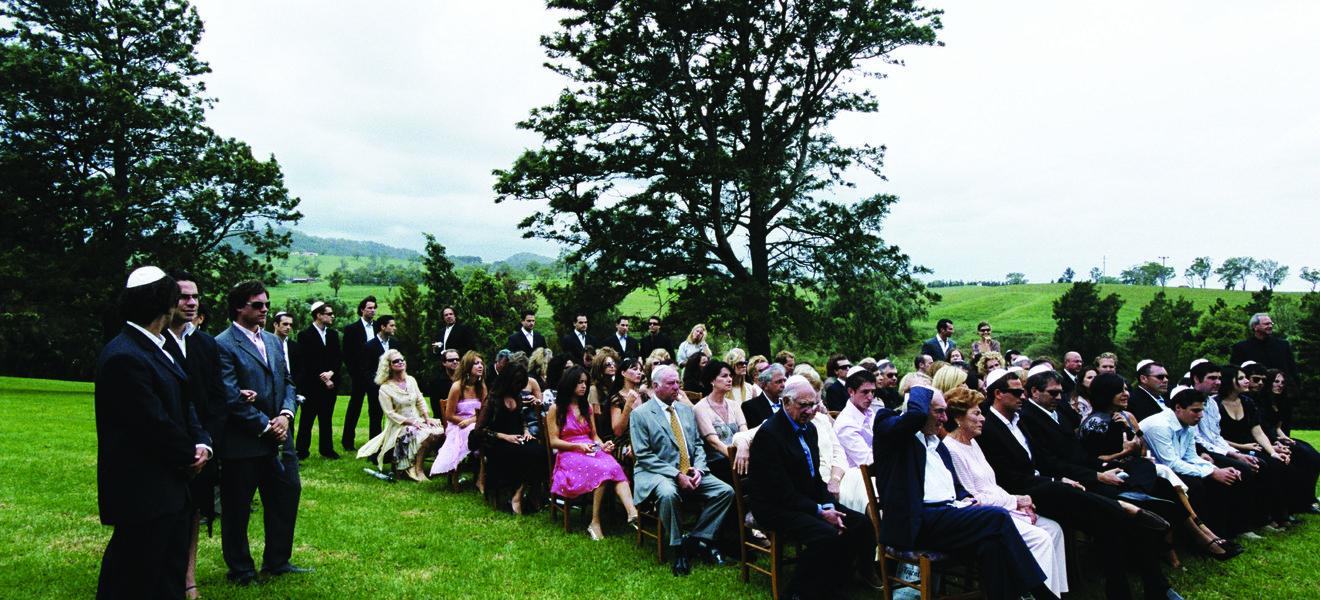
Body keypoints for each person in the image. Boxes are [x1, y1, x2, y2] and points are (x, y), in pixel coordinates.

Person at [975, 369, 1185, 600]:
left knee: (1139, 477)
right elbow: (1010, 476)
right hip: (1033, 491)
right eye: (1017, 392)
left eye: (1022, 392)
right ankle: (1130, 512)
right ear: (998, 394)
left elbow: (1067, 452)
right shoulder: (991, 426)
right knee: (1117, 515)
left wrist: (1101, 467)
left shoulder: (1019, 419)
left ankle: (1133, 507)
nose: (1022, 397)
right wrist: (1071, 478)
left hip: (1059, 481)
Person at [1019, 367, 1237, 563]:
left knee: (1150, 471)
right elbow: (1069, 459)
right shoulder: (1092, 422)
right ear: (1034, 392)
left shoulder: (1082, 413)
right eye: (1053, 393)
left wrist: (1129, 442)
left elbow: (1137, 450)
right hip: (1080, 477)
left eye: (1060, 392)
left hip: (1105, 468)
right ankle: (1188, 539)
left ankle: (1152, 507)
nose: (1060, 396)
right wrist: (1108, 466)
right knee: (1163, 485)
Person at [870, 384, 1051, 600]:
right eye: (938, 411)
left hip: (946, 515)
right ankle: (1041, 593)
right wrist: (919, 387)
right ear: (918, 408)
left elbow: (955, 485)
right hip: (917, 522)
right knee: (997, 517)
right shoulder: (889, 428)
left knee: (991, 545)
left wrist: (965, 498)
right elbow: (915, 415)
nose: (945, 418)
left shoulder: (937, 444)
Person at [94, 267, 211, 600]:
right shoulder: (124, 355)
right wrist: (188, 455)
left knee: (167, 582)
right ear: (164, 303)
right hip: (142, 494)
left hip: (170, 492)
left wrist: (202, 443)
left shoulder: (158, 347)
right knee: (133, 582)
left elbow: (186, 402)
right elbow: (151, 423)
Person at [748, 373, 881, 599]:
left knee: (859, 523)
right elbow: (780, 492)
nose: (810, 411)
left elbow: (814, 479)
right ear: (786, 403)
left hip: (803, 498)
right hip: (774, 505)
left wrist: (829, 505)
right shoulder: (770, 434)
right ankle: (797, 593)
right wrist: (820, 512)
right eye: (803, 406)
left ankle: (831, 582)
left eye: (813, 405)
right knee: (825, 535)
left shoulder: (809, 428)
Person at [215, 280, 307, 586]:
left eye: (266, 304)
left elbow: (289, 382)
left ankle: (278, 561)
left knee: (286, 495)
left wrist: (285, 415)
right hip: (244, 443)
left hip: (281, 442)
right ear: (239, 307)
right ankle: (240, 569)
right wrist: (266, 426)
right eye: (257, 305)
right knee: (237, 508)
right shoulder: (223, 344)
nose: (264, 310)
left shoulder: (272, 341)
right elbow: (229, 397)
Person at [941, 387, 1067, 597]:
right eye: (977, 413)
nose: (983, 419)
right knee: (1040, 538)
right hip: (986, 515)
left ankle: (1055, 593)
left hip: (1004, 506)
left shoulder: (972, 443)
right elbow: (973, 499)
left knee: (1053, 529)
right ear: (958, 418)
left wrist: (1020, 503)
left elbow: (992, 484)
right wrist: (1015, 501)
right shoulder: (952, 449)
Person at [630, 365, 734, 576]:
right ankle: (679, 551)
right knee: (668, 494)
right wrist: (676, 474)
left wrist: (700, 470)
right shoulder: (641, 414)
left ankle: (695, 539)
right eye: (671, 383)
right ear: (656, 386)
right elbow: (643, 455)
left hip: (689, 469)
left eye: (678, 383)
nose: (677, 387)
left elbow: (697, 445)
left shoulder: (686, 410)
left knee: (725, 492)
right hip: (655, 472)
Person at [165, 271, 228, 600]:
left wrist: (207, 442)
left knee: (193, 512)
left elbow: (217, 398)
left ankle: (188, 579)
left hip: (202, 448)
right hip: (166, 445)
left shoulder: (205, 343)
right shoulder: (156, 341)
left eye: (195, 297)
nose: (190, 303)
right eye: (183, 297)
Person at [1141, 388, 1256, 541]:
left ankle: (1222, 533)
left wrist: (1217, 470)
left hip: (1171, 467)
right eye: (1195, 410)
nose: (1200, 416)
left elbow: (1191, 457)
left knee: (1222, 480)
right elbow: (1171, 463)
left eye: (1201, 410)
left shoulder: (1187, 425)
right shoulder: (1160, 426)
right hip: (1154, 471)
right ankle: (1199, 539)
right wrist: (1212, 473)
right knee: (1196, 485)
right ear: (1178, 408)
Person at [547, 366, 638, 539]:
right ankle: (595, 522)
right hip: (569, 452)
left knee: (613, 465)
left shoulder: (586, 406)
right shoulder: (556, 408)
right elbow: (553, 441)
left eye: (585, 383)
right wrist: (578, 447)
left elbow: (594, 435)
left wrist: (603, 446)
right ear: (570, 383)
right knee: (602, 469)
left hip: (590, 448)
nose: (583, 386)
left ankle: (631, 511)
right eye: (579, 382)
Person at [1215, 364, 1295, 528]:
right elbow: (1215, 437)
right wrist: (1241, 447)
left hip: (1249, 445)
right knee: (1263, 468)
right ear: (1230, 381)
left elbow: (1258, 432)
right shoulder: (1216, 404)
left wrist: (1273, 452)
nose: (1246, 382)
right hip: (1228, 448)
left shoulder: (1247, 402)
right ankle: (1262, 519)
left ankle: (1280, 514)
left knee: (1279, 465)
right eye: (1241, 378)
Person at [354, 350, 445, 481]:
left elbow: (420, 400)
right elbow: (390, 414)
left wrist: (427, 418)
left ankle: (420, 464)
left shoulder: (411, 380)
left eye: (402, 359)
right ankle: (416, 470)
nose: (400, 362)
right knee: (421, 433)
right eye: (395, 361)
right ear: (388, 366)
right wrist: (411, 422)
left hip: (418, 420)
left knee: (438, 431)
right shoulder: (385, 388)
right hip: (399, 426)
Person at [473, 362, 546, 514]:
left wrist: (526, 431)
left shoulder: (517, 398)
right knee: (528, 454)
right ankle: (519, 496)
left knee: (541, 451)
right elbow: (479, 430)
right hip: (498, 443)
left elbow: (521, 420)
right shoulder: (492, 400)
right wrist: (504, 436)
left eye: (521, 383)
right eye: (517, 383)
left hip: (517, 439)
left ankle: (524, 493)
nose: (519, 386)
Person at [1259, 370, 1320, 513]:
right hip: (1267, 439)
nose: (1280, 385)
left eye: (1282, 382)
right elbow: (1263, 428)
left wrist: (1284, 437)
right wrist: (1277, 439)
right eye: (1276, 381)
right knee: (1301, 454)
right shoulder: (1261, 401)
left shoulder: (1281, 401)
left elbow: (1278, 426)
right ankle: (1300, 501)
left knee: (1315, 456)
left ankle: (1310, 497)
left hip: (1278, 436)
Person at [296, 301, 341, 460]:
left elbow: (337, 357)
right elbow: (307, 360)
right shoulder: (305, 335)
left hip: (330, 384)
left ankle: (327, 449)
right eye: (329, 314)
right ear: (319, 315)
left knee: (326, 418)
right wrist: (323, 377)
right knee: (307, 419)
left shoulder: (333, 334)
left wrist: (331, 373)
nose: (332, 316)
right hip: (312, 385)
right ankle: (301, 451)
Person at [430, 351, 486, 477]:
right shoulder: (457, 387)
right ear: (467, 367)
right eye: (476, 363)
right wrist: (466, 422)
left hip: (477, 422)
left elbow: (485, 411)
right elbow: (449, 415)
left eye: (481, 363)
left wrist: (471, 421)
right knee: (476, 431)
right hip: (458, 425)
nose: (480, 366)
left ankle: (484, 472)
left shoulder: (481, 387)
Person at [692, 360, 748, 484]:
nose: (729, 379)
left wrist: (744, 450)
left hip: (740, 456)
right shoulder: (700, 408)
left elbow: (745, 433)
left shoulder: (734, 405)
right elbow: (714, 442)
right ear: (712, 381)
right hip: (717, 463)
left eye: (730, 376)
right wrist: (736, 457)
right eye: (724, 376)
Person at [1230, 313, 1301, 406]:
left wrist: (1294, 389)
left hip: (1282, 394)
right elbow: (1235, 372)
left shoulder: (1283, 345)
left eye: (1271, 324)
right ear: (1255, 326)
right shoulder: (1241, 347)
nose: (1270, 326)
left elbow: (1292, 370)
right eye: (1266, 324)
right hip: (1256, 395)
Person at [357, 315, 401, 442]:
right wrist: (375, 384)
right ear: (383, 327)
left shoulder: (395, 343)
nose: (394, 328)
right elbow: (365, 369)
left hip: (394, 387)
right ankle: (375, 450)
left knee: (395, 416)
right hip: (377, 388)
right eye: (391, 325)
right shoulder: (369, 346)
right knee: (376, 418)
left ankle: (393, 447)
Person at [341, 296, 376, 450]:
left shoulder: (378, 328)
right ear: (362, 309)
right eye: (369, 308)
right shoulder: (352, 329)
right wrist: (354, 372)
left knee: (376, 409)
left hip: (376, 375)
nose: (372, 310)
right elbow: (347, 353)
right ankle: (347, 442)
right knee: (355, 408)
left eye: (374, 307)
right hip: (359, 374)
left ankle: (375, 441)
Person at [607, 357, 647, 465]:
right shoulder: (617, 398)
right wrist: (628, 404)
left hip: (643, 438)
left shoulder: (644, 396)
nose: (639, 372)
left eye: (640, 370)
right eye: (634, 369)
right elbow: (618, 431)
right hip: (623, 441)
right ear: (623, 373)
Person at [742, 363, 787, 428]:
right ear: (765, 385)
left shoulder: (787, 405)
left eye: (784, 381)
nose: (783, 385)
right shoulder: (751, 407)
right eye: (779, 382)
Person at [427, 349, 461, 420]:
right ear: (444, 363)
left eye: (457, 359)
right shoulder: (435, 383)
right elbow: (437, 410)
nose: (455, 362)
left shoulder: (466, 380)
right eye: (451, 360)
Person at [586, 348, 619, 413]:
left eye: (613, 364)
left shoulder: (615, 385)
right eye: (608, 364)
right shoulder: (594, 389)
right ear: (600, 366)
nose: (612, 366)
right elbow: (596, 414)